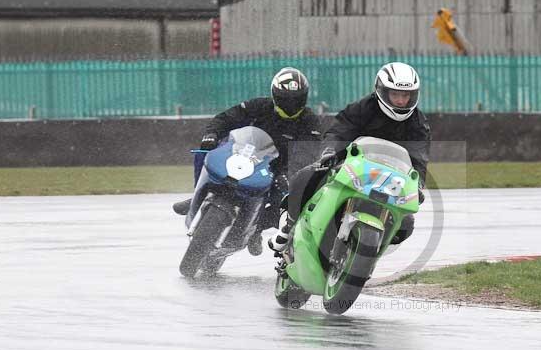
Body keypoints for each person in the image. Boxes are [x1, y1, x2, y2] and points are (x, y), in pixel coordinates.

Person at [268, 61, 431, 253]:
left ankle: (370, 253)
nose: (401, 101)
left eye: (406, 95)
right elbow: (340, 130)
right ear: (382, 91)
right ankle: (289, 225)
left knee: (406, 225)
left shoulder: (418, 124)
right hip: (352, 164)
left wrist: (417, 184)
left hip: (390, 178)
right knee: (305, 177)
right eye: (396, 95)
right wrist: (330, 151)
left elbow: (418, 159)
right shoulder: (363, 108)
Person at [172, 67, 321, 256]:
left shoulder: (309, 121)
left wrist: (290, 175)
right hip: (245, 155)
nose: (291, 104)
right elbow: (226, 118)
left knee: (283, 201)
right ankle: (197, 195)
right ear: (276, 95)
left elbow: (306, 154)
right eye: (286, 99)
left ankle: (254, 230)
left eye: (296, 99)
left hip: (278, 169)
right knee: (204, 151)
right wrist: (212, 133)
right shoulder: (258, 106)